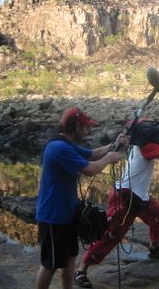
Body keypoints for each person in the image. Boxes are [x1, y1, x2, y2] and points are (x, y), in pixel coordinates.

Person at [74, 121, 159, 288]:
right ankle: (81, 270)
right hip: (125, 197)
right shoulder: (147, 149)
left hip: (138, 197)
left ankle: (154, 247)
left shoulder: (142, 145)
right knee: (110, 235)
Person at [36, 107, 129, 289]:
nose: (89, 131)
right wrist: (109, 158)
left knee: (70, 259)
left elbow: (92, 154)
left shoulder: (65, 144)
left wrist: (113, 145)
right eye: (87, 127)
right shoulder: (59, 148)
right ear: (78, 127)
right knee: (50, 265)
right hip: (53, 216)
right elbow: (90, 169)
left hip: (67, 213)